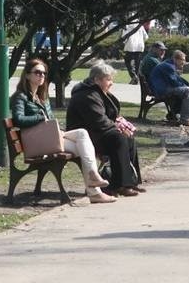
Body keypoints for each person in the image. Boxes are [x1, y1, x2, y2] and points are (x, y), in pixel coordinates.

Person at [10, 58, 115, 204]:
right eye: (37, 73)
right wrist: (39, 117)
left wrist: (56, 129)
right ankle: (94, 188)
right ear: (27, 75)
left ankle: (93, 178)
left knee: (82, 134)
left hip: (49, 136)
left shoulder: (42, 97)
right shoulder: (20, 97)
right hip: (36, 142)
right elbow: (18, 119)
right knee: (84, 146)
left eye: (44, 73)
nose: (41, 76)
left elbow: (50, 120)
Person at [66, 61, 145, 197]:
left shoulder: (97, 92)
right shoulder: (87, 95)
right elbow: (98, 120)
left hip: (98, 132)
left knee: (128, 139)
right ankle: (119, 184)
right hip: (85, 135)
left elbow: (108, 117)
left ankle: (129, 182)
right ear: (96, 79)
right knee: (119, 139)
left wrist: (119, 126)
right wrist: (118, 128)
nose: (111, 83)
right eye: (108, 79)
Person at [148, 50, 189, 126]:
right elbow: (175, 83)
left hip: (163, 89)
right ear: (176, 59)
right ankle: (185, 119)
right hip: (162, 91)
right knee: (188, 91)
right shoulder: (168, 66)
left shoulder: (168, 64)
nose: (184, 62)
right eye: (183, 60)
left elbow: (179, 79)